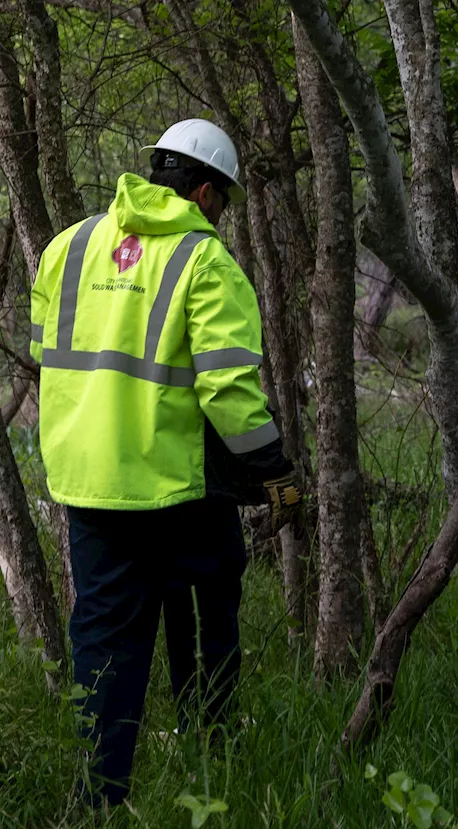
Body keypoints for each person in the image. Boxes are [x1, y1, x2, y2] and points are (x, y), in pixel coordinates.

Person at [28, 118, 301, 806]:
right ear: (206, 194)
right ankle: (214, 766)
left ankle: (97, 798)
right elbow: (230, 393)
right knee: (213, 616)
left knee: (103, 642)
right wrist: (277, 472)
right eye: (224, 204)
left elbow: (47, 355)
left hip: (87, 485)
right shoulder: (204, 262)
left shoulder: (69, 246)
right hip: (174, 487)